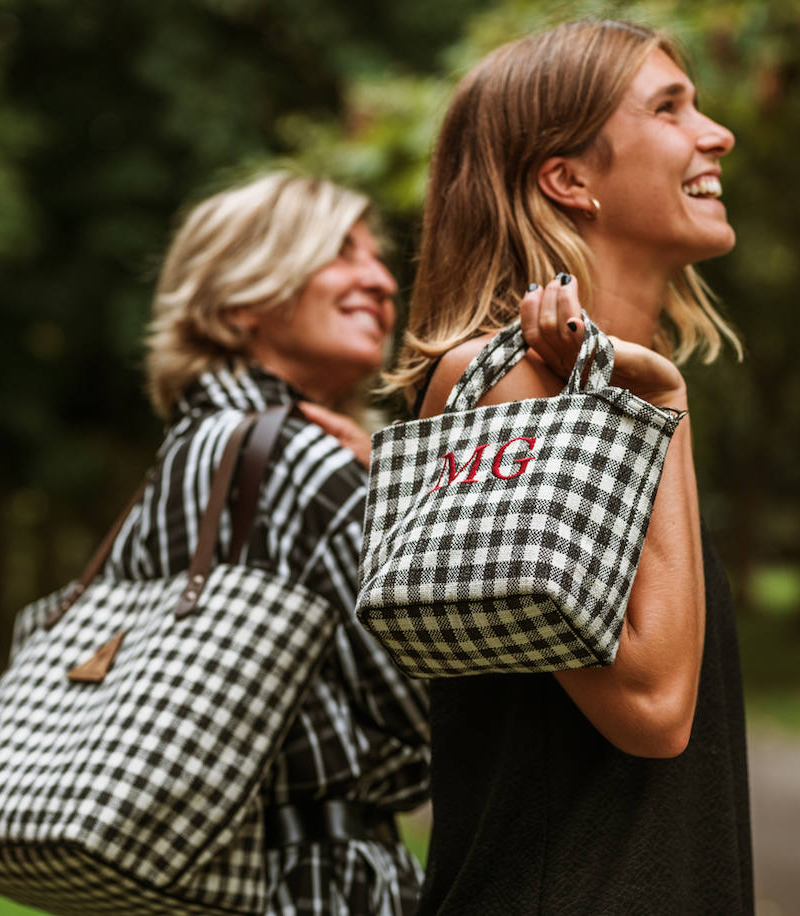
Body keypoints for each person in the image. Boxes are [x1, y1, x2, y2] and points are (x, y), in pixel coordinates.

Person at [111, 172, 576, 915]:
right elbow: (440, 705)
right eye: (339, 253)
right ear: (238, 299)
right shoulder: (301, 459)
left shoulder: (193, 449)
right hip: (318, 882)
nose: (382, 281)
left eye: (376, 256)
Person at [385, 20, 754, 915]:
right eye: (669, 108)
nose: (717, 134)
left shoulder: (605, 385)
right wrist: (661, 405)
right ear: (569, 180)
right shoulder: (509, 383)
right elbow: (654, 709)